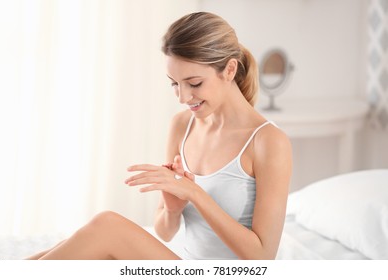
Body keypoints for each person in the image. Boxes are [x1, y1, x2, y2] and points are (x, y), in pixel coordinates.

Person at [27, 11, 292, 260]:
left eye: (194, 83)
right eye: (175, 84)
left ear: (230, 70)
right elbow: (164, 231)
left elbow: (262, 256)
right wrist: (173, 208)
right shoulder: (182, 125)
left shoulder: (268, 141)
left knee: (107, 226)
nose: (183, 97)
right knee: (83, 250)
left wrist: (196, 194)